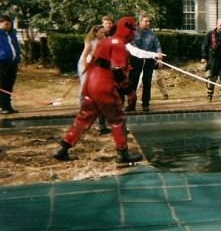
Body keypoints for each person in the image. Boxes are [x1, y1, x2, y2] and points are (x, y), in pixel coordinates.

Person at [52, 17, 160, 163]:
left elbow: (99, 62)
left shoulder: (106, 41)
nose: (135, 35)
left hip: (91, 83)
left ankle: (63, 149)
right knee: (118, 119)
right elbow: (117, 70)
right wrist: (130, 91)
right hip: (103, 85)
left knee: (84, 117)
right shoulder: (119, 44)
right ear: (127, 31)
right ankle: (122, 153)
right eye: (133, 30)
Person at [125, 15, 163, 112]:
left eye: (149, 21)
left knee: (147, 82)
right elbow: (133, 48)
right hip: (136, 59)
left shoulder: (151, 34)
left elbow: (157, 45)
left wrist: (160, 57)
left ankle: (146, 104)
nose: (148, 23)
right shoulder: (133, 32)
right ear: (140, 21)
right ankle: (131, 104)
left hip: (148, 61)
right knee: (133, 82)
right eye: (146, 21)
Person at [201, 18, 221, 102]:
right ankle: (209, 95)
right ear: (216, 25)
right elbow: (204, 46)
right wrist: (204, 57)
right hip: (213, 58)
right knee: (212, 77)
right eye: (220, 25)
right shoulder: (210, 34)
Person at [78, 24, 106, 105]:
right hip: (85, 64)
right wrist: (86, 68)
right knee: (85, 84)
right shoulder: (90, 42)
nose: (103, 34)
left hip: (96, 65)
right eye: (101, 33)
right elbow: (83, 57)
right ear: (95, 33)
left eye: (104, 33)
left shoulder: (104, 41)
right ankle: (82, 104)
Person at [0, 15, 20, 115]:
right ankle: (3, 106)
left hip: (12, 63)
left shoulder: (11, 34)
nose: (8, 26)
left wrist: (17, 59)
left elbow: (15, 47)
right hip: (2, 63)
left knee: (9, 85)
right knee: (2, 85)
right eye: (6, 24)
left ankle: (7, 106)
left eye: (10, 24)